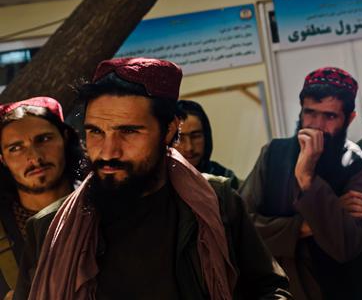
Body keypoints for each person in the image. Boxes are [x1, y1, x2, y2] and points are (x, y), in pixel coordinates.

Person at [14, 57, 290, 300]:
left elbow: (269, 288)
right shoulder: (49, 229)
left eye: (129, 132)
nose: (109, 151)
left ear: (169, 130)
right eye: (96, 132)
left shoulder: (217, 201)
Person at [241, 67, 362, 299]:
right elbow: (241, 229)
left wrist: (307, 177)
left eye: (329, 116)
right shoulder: (273, 153)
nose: (316, 125)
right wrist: (306, 225)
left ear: (350, 118)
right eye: (310, 113)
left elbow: (345, 245)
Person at [0, 97, 87, 299]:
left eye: (44, 139)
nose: (35, 157)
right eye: (15, 147)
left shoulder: (103, 208)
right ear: (2, 159)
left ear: (65, 137)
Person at [176, 100, 240, 189]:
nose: (189, 147)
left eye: (195, 136)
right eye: (179, 138)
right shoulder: (159, 184)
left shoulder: (224, 179)